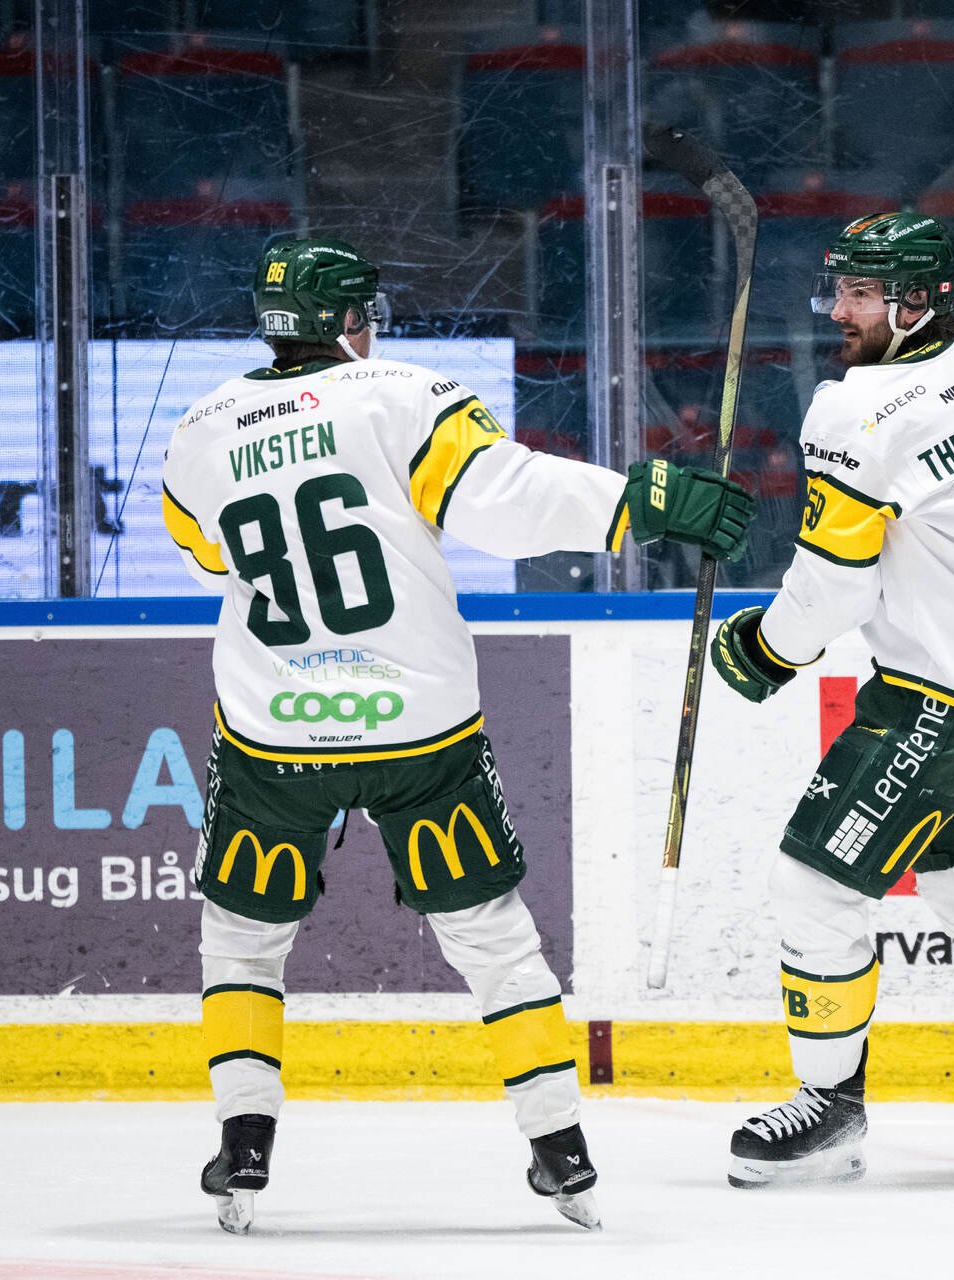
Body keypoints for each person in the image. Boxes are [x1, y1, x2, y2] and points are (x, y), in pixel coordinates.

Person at [161, 237, 756, 1233]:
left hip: (275, 732)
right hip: (417, 725)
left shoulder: (202, 425)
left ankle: (245, 1145)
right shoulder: (402, 393)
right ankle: (561, 1150)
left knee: (244, 939)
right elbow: (509, 501)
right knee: (491, 938)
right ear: (352, 321)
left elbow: (202, 553)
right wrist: (643, 501)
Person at [708, 174, 954, 1187]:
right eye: (838, 291)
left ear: (917, 302)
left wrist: (766, 648)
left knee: (812, 881)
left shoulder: (861, 409)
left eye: (859, 296)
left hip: (938, 696)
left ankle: (830, 1107)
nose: (838, 312)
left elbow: (837, 580)